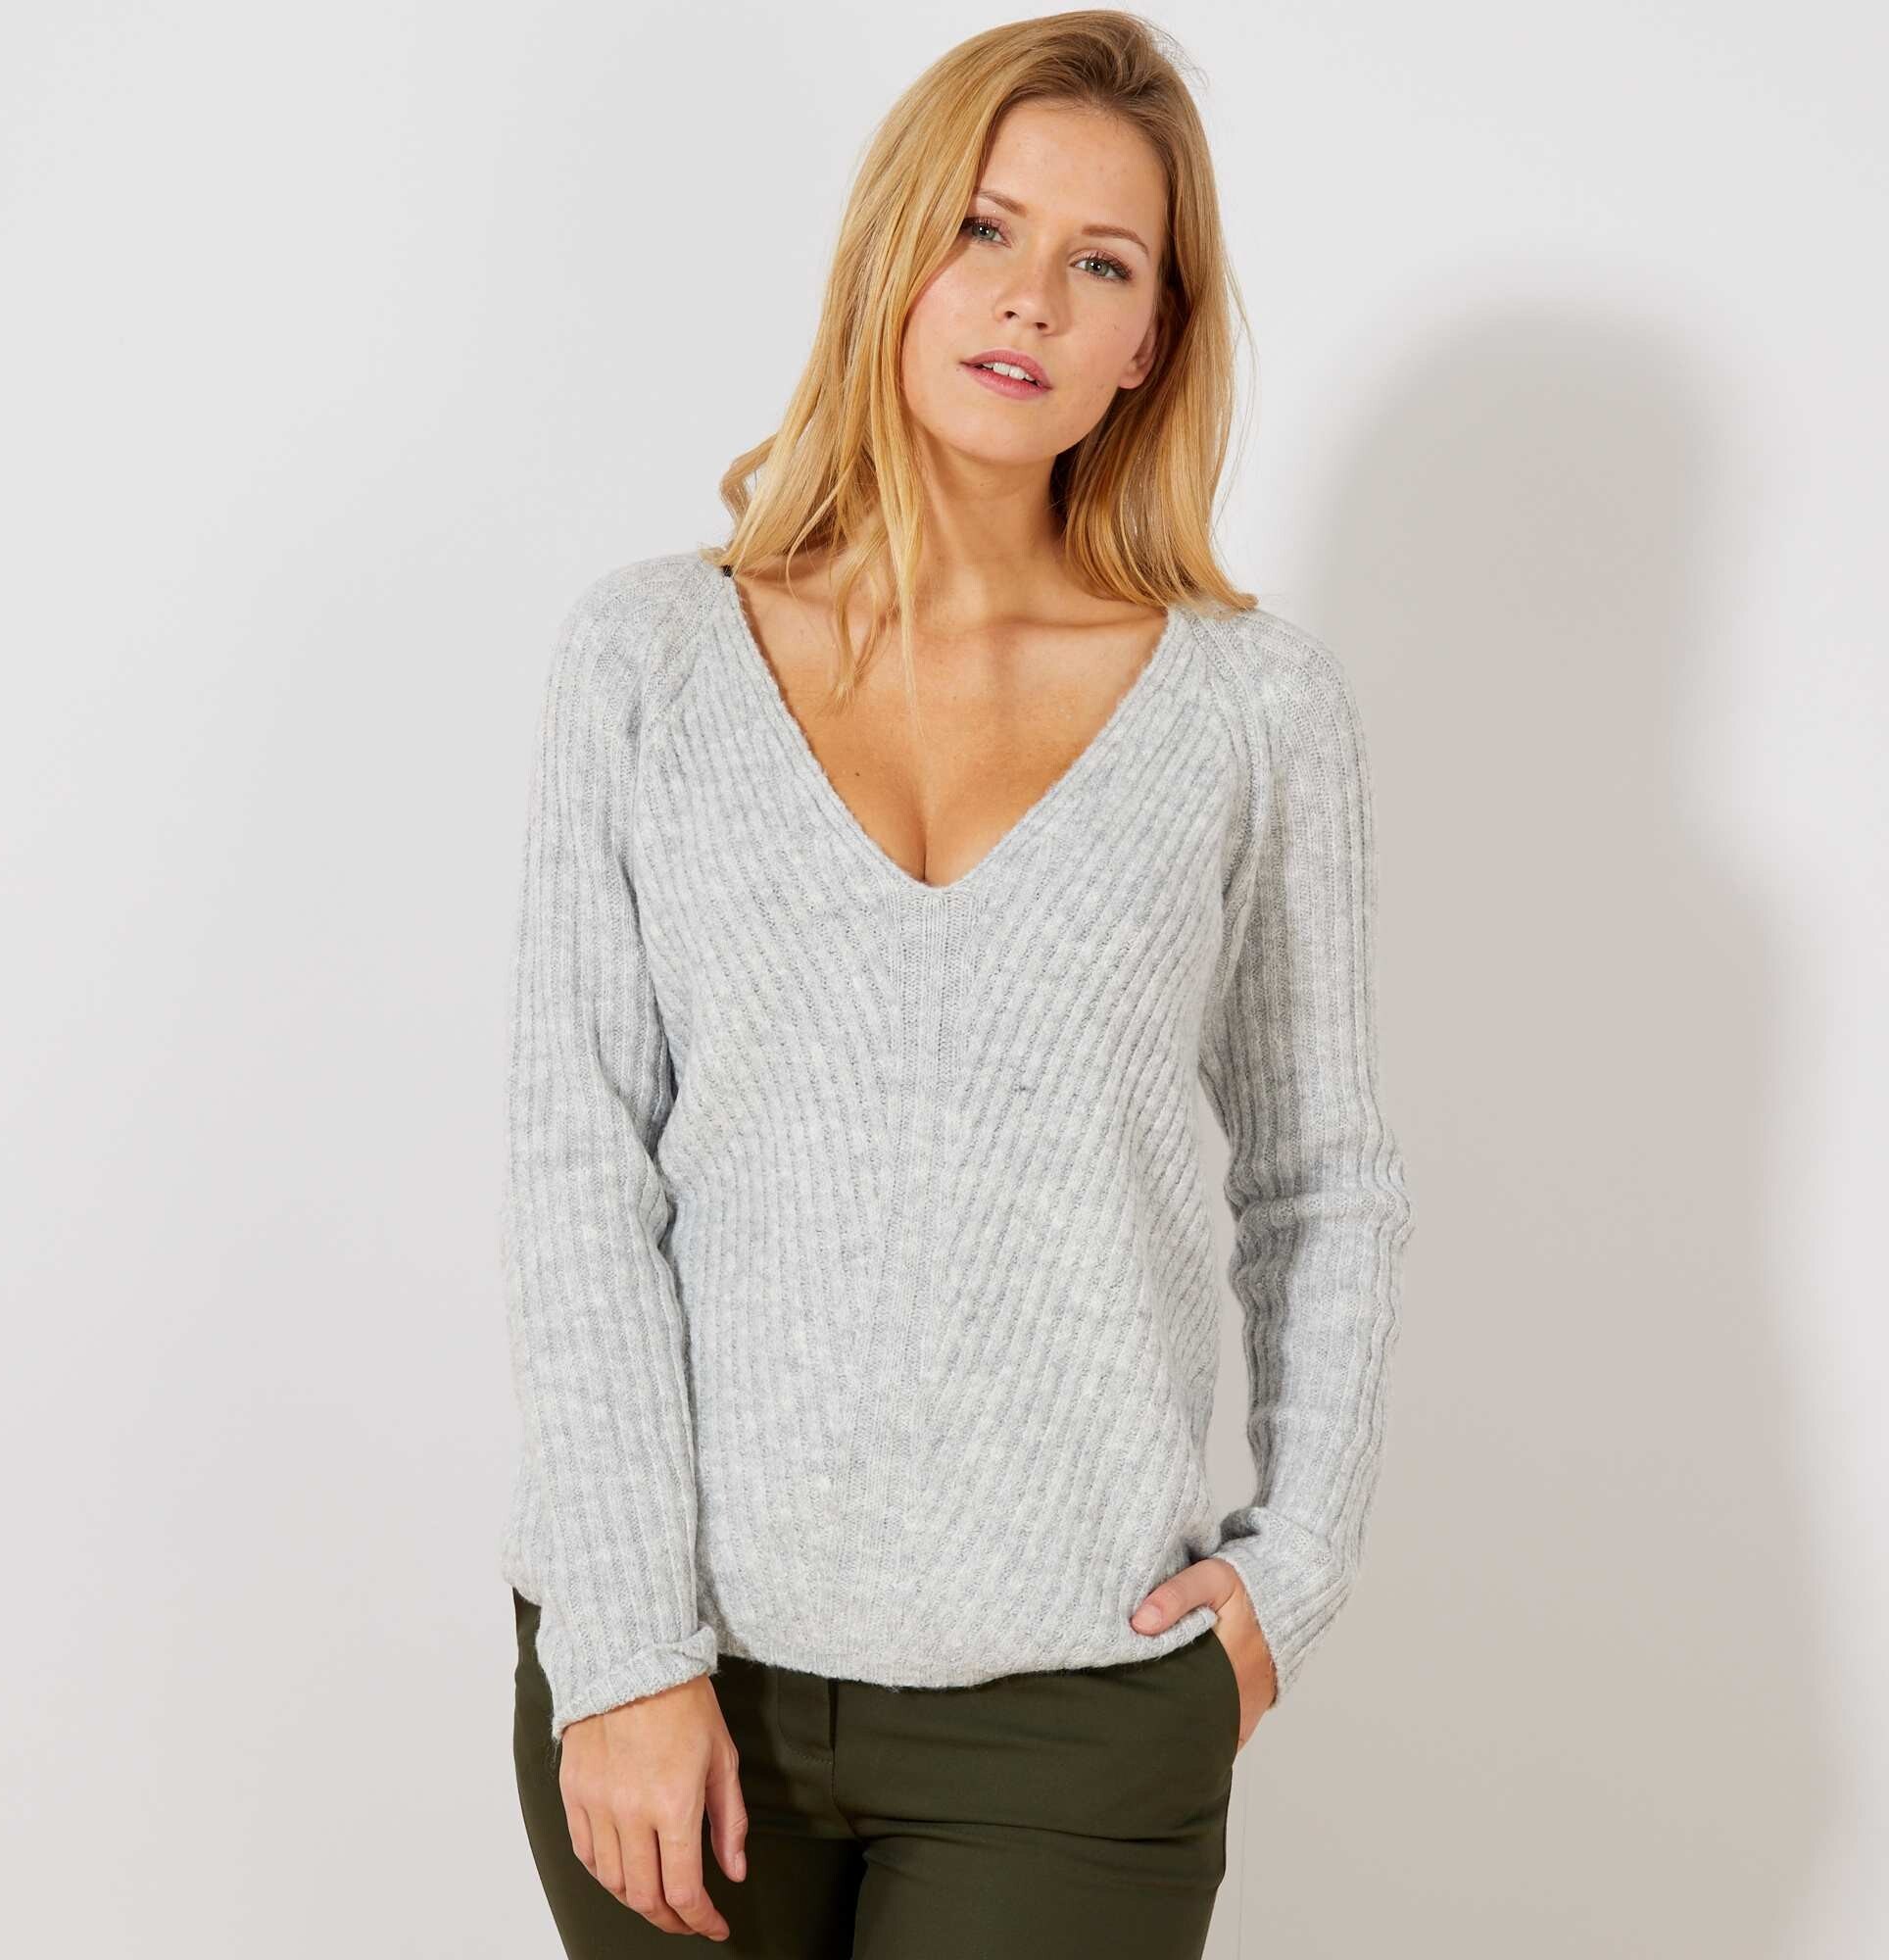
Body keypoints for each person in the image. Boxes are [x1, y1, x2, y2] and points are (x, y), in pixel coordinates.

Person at [498, 12, 1415, 1955]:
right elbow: (582, 1166)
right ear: (891, 255)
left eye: (1104, 264)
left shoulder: (1251, 711)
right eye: (985, 230)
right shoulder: (650, 662)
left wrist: (1297, 1565)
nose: (1031, 302)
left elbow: (1319, 1180)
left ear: (1151, 338)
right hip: (685, 1690)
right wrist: (625, 1646)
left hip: (1079, 1707)